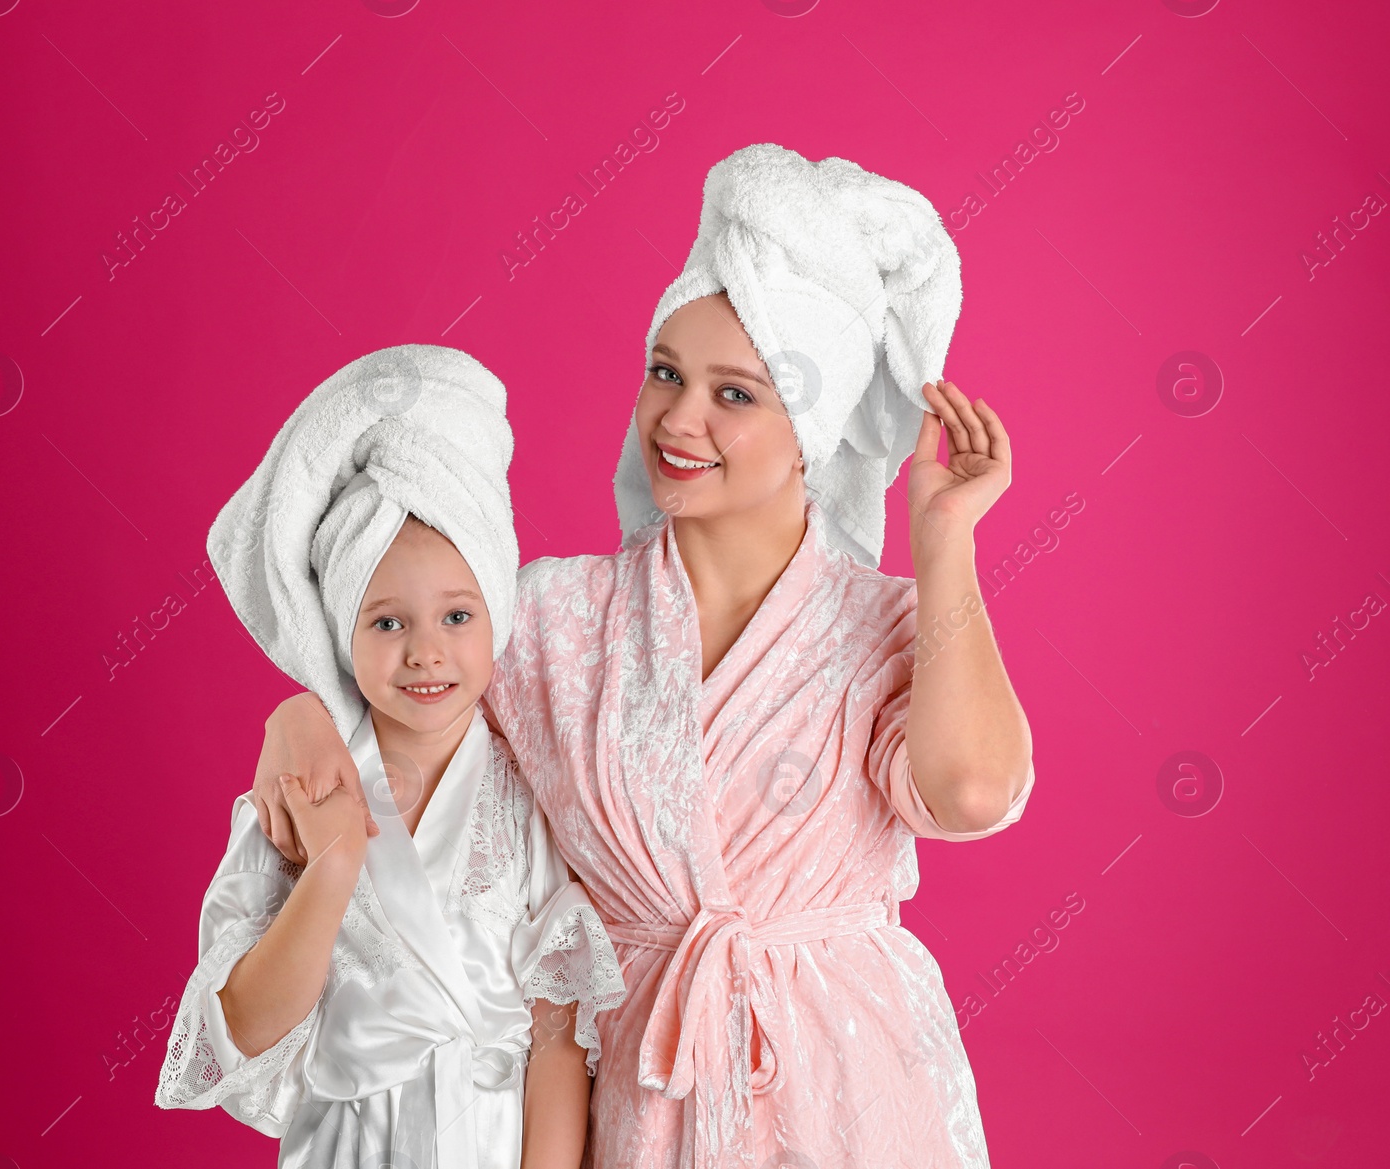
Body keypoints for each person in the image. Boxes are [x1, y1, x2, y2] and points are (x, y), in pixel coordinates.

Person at [249, 145, 1037, 1168]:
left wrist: (944, 548)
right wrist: (299, 714)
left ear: (812, 425)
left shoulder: (887, 622)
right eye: (666, 372)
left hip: (850, 1082)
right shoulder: (546, 617)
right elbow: (404, 703)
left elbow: (973, 789)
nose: (678, 418)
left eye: (735, 395)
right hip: (634, 1079)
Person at [154, 344, 627, 1169]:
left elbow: (558, 1038)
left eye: (455, 616)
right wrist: (332, 867)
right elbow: (245, 1027)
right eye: (386, 621)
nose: (425, 654)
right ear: (341, 631)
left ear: (497, 613)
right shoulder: (296, 796)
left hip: (492, 1142)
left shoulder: (529, 800)